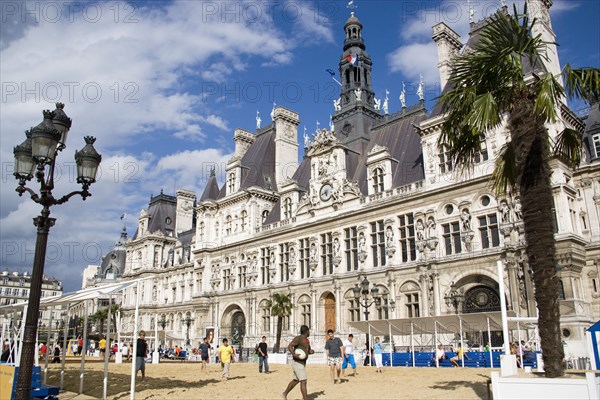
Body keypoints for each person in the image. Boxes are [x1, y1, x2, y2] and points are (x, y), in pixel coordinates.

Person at [282, 325, 314, 400]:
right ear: (306, 331)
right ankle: (305, 398)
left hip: (302, 363)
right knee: (303, 380)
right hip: (297, 362)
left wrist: (311, 352)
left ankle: (284, 393)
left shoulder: (307, 340)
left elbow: (307, 351)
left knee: (296, 380)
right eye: (308, 331)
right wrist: (294, 354)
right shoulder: (298, 338)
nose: (309, 332)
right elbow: (290, 346)